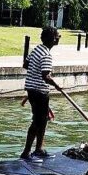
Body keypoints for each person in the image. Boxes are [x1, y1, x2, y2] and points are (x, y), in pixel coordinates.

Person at [21, 26, 61, 160]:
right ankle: (27, 152)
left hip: (32, 90)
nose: (59, 38)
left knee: (42, 120)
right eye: (58, 36)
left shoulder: (37, 49)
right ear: (53, 39)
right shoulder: (46, 55)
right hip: (39, 92)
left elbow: (26, 65)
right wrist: (57, 86)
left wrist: (34, 74)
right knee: (38, 122)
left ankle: (38, 149)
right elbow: (46, 76)